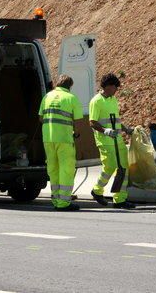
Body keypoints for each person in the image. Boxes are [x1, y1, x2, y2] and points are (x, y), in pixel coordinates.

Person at [89, 73, 135, 209]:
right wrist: (106, 131)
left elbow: (116, 121)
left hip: (118, 140)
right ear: (108, 86)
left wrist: (126, 129)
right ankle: (97, 191)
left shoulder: (113, 100)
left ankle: (120, 200)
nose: (116, 90)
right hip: (105, 141)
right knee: (110, 167)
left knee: (123, 169)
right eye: (115, 87)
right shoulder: (96, 101)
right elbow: (92, 122)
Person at [39, 74, 84, 211]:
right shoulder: (71, 98)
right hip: (64, 139)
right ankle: (64, 202)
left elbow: (41, 118)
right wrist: (76, 133)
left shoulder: (47, 97)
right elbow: (78, 121)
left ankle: (56, 200)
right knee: (66, 169)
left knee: (53, 169)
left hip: (48, 139)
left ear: (57, 84)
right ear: (70, 86)